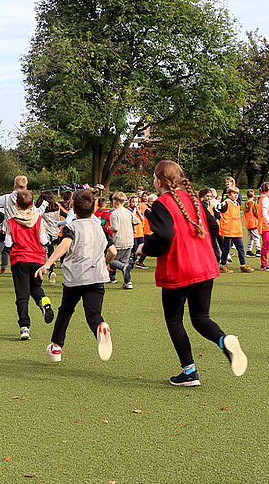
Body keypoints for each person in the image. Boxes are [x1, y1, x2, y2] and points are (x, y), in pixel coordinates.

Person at [137, 160, 247, 386]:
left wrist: (144, 249)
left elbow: (164, 238)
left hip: (179, 270)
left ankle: (189, 371)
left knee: (174, 319)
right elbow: (214, 227)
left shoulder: (162, 203)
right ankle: (223, 340)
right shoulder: (194, 200)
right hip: (205, 268)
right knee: (200, 318)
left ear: (159, 181)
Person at [35, 189, 116, 363]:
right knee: (93, 314)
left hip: (75, 278)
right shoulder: (100, 228)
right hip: (96, 277)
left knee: (65, 311)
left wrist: (48, 264)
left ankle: (56, 347)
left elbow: (65, 245)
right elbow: (113, 251)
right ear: (94, 207)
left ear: (73, 207)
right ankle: (100, 328)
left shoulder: (71, 227)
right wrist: (105, 262)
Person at [4, 190, 54, 340]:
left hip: (20, 260)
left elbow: (7, 244)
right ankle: (44, 302)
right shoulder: (38, 219)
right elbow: (44, 240)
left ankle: (24, 327)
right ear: (33, 204)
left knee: (22, 296)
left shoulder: (11, 222)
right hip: (38, 259)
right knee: (36, 288)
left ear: (16, 204)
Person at [216, 187, 254, 273]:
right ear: (229, 195)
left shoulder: (236, 204)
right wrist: (219, 217)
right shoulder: (226, 203)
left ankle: (243, 265)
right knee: (226, 248)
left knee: (240, 248)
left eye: (237, 194)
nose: (236, 195)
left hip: (236, 230)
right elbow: (216, 208)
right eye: (234, 194)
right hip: (229, 230)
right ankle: (222, 265)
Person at [108, 191, 140, 289]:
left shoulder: (114, 213)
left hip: (119, 241)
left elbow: (115, 227)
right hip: (129, 240)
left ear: (114, 201)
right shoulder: (128, 212)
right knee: (125, 262)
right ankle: (127, 282)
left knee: (110, 260)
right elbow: (137, 221)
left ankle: (120, 271)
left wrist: (109, 228)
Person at [36, 191, 61, 285]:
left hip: (45, 233)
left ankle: (42, 271)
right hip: (55, 232)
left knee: (42, 252)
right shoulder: (57, 208)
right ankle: (51, 271)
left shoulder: (40, 209)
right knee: (51, 252)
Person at [243, 189, 261, 257]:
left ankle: (249, 250)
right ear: (253, 195)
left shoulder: (245, 204)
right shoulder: (254, 204)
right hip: (254, 222)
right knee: (256, 237)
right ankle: (258, 250)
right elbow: (256, 213)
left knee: (250, 237)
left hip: (248, 222)